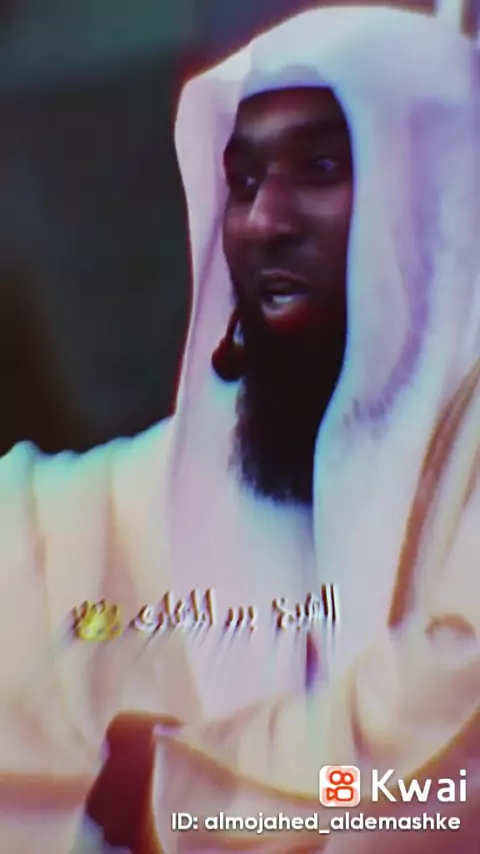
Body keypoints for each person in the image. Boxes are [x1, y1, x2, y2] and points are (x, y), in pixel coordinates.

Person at [0, 3, 478, 853]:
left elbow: (440, 771)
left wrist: (183, 791)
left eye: (320, 167)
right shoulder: (269, 432)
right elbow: (86, 533)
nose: (264, 220)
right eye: (246, 181)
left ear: (427, 191)